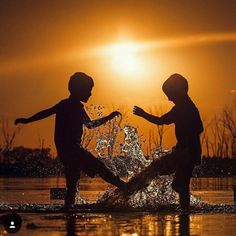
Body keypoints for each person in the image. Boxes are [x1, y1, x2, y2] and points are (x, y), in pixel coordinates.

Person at [15, 72, 126, 207]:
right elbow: (46, 112)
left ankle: (68, 209)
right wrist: (27, 120)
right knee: (99, 167)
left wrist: (109, 117)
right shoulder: (65, 105)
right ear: (78, 90)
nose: (90, 94)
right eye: (88, 90)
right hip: (72, 150)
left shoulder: (78, 107)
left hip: (67, 152)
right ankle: (122, 186)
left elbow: (90, 125)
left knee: (72, 184)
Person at [132, 73, 203, 211]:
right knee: (157, 169)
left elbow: (199, 127)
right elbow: (162, 120)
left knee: (178, 184)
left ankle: (185, 212)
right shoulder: (182, 107)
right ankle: (130, 190)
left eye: (170, 94)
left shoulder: (186, 108)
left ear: (179, 91)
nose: (168, 98)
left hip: (188, 152)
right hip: (182, 150)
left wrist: (143, 114)